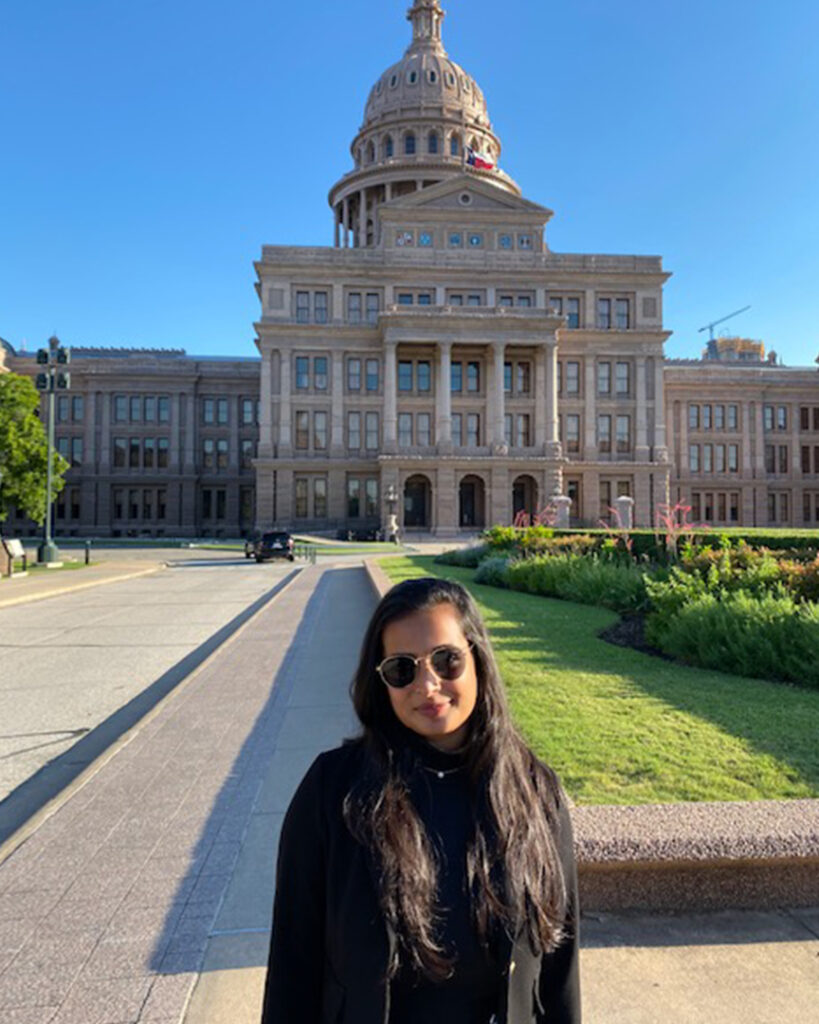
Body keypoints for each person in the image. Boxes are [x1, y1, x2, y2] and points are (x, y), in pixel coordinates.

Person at [261, 576, 580, 1024]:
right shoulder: (333, 792)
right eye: (401, 669)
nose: (427, 686)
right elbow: (293, 967)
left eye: (447, 660)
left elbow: (559, 972)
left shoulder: (534, 792)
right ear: (382, 682)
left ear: (478, 660)